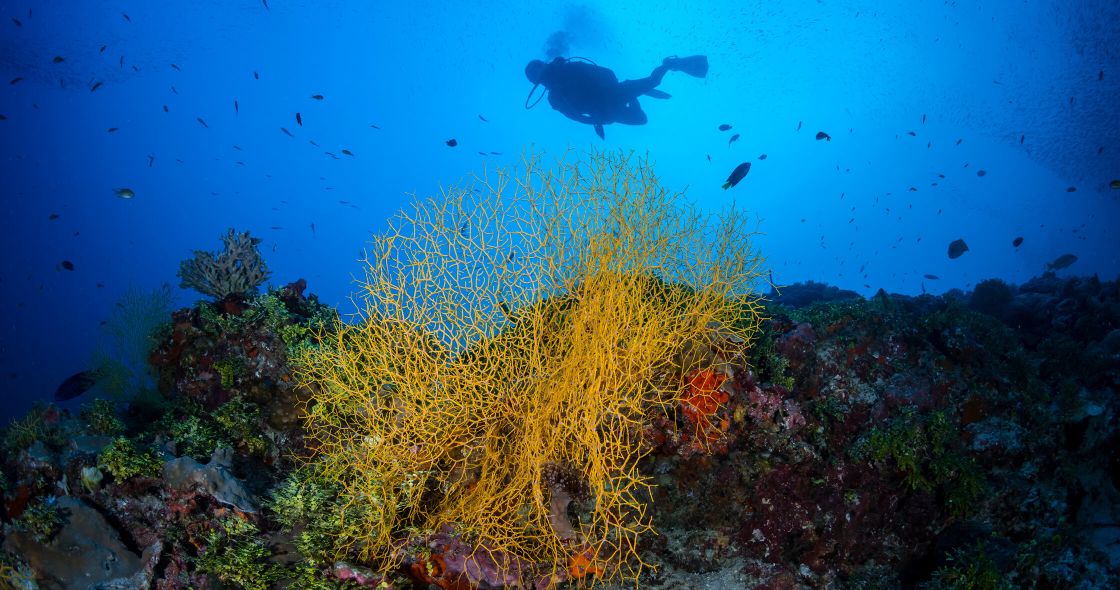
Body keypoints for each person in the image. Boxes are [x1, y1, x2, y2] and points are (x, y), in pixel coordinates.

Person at [524, 55, 709, 139]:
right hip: (604, 112)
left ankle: (670, 64)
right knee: (641, 119)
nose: (538, 73)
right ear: (535, 82)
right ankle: (636, 94)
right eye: (534, 74)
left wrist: (618, 90)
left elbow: (604, 73)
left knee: (653, 81)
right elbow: (575, 117)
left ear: (543, 64)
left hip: (613, 93)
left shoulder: (569, 68)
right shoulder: (553, 98)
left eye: (537, 67)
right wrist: (598, 120)